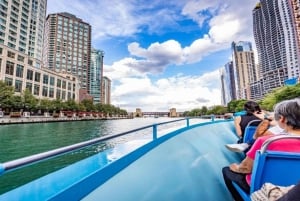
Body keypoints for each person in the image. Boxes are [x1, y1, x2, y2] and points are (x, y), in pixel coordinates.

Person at [222, 98, 300, 201]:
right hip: (295, 187)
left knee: (226, 170)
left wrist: (234, 167)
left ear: (282, 119)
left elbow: (245, 168)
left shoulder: (267, 142)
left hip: (264, 187)